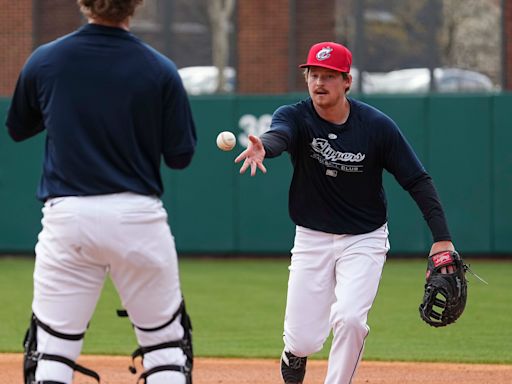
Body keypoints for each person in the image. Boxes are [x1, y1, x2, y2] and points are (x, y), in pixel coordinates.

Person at [235, 41, 455, 384]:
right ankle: (294, 352)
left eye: (328, 76)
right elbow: (281, 135)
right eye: (313, 74)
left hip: (364, 238)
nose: (319, 82)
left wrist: (442, 238)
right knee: (304, 339)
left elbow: (417, 180)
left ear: (346, 81)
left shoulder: (377, 127)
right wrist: (267, 146)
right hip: (312, 237)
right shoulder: (295, 116)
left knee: (351, 320)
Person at [6, 1, 197, 383]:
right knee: (164, 348)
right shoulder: (159, 68)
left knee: (53, 349)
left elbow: (18, 127)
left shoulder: (47, 60)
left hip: (68, 217)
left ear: (84, 3)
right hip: (137, 218)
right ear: (136, 5)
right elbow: (180, 157)